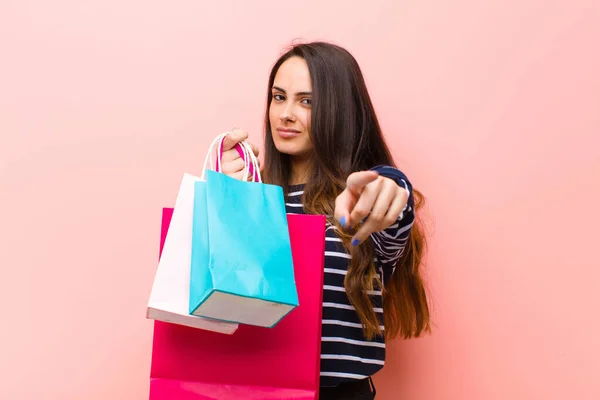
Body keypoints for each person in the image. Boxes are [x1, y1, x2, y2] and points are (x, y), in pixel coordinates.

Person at [219, 41, 430, 400]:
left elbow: (393, 209)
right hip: (248, 389)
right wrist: (226, 202)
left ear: (340, 111)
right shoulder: (255, 197)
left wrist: (391, 187)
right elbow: (220, 306)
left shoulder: (359, 200)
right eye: (278, 97)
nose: (284, 114)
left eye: (307, 101)